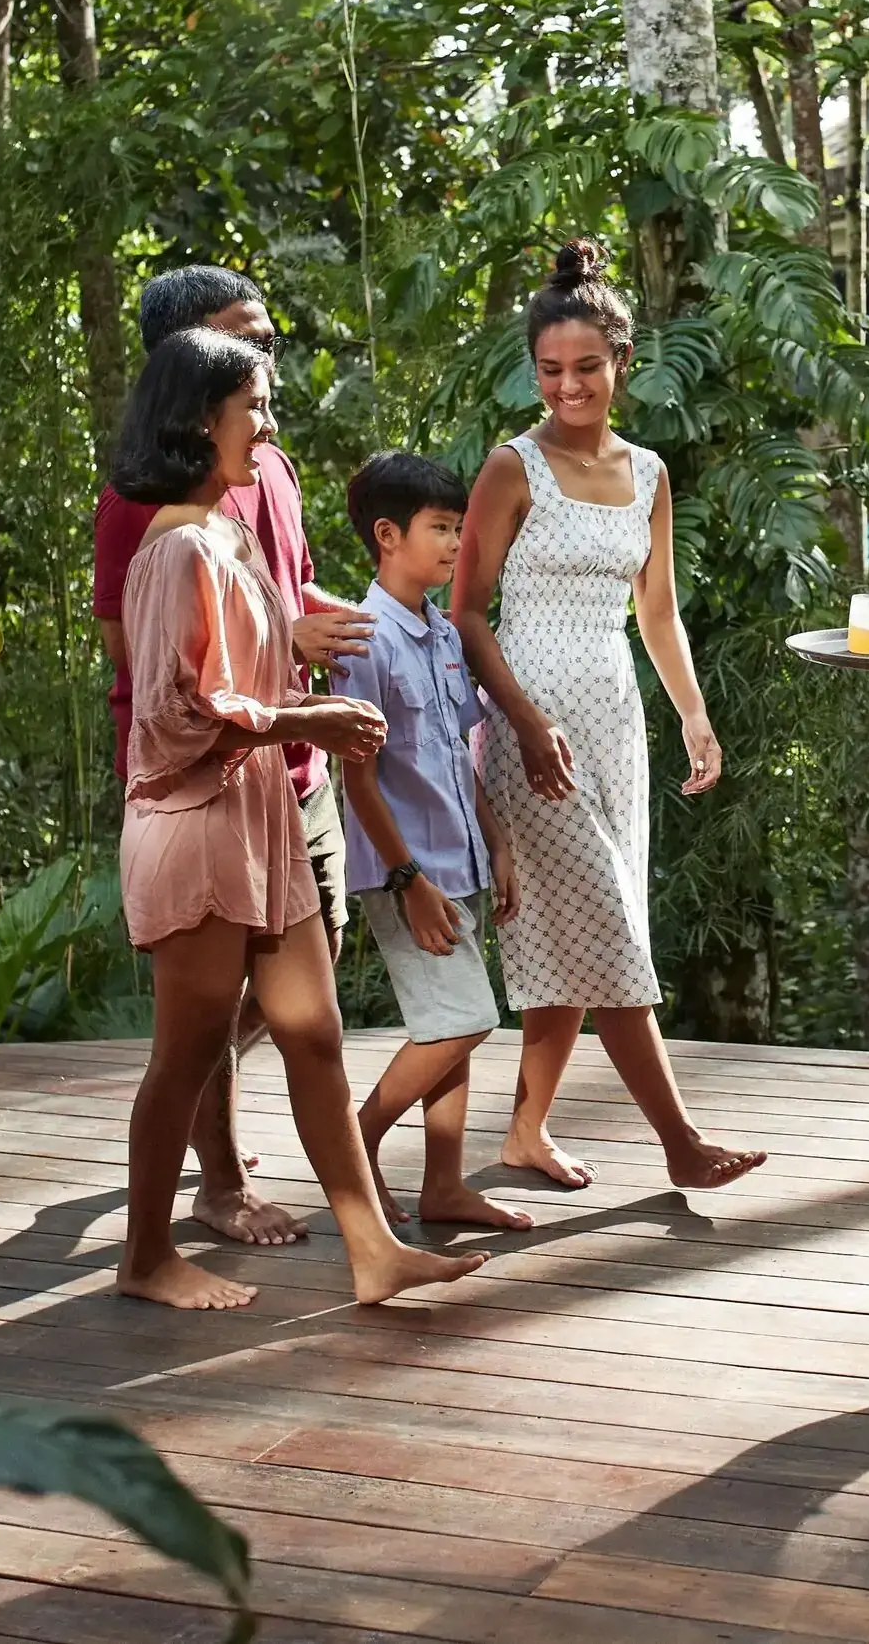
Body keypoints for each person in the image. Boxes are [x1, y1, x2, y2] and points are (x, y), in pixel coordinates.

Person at [110, 327, 486, 1311]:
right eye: (257, 405)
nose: (269, 423)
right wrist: (305, 714)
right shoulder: (176, 546)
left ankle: (374, 1247)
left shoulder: (228, 529)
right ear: (201, 418)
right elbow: (171, 717)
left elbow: (255, 654)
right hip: (195, 822)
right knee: (187, 1051)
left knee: (313, 1032)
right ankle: (146, 1253)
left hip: (263, 813)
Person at [450, 239, 766, 1194]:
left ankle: (523, 1134)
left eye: (587, 367)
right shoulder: (513, 467)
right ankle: (680, 1141)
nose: (568, 387)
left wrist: (695, 718)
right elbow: (466, 611)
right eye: (551, 370)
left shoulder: (652, 475)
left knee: (578, 934)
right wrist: (522, 717)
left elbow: (656, 612)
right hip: (531, 732)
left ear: (622, 363)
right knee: (613, 933)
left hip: (615, 727)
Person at [96, 265, 374, 1251]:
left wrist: (326, 628)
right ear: (193, 379)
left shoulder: (266, 478)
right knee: (197, 1033)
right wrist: (288, 700)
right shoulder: (159, 521)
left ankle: (374, 1247)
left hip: (286, 778)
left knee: (307, 1010)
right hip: (203, 794)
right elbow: (164, 682)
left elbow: (280, 596)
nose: (271, 384)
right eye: (247, 356)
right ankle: (194, 1196)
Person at [329, 453, 534, 1232]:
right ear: (388, 536)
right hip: (406, 871)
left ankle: (443, 1185)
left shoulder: (442, 634)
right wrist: (409, 878)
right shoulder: (364, 640)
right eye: (441, 528)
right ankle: (354, 1140)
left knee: (452, 1032)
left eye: (458, 528)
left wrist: (499, 841)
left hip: (461, 859)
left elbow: (457, 753)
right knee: (463, 1020)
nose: (456, 544)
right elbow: (359, 781)